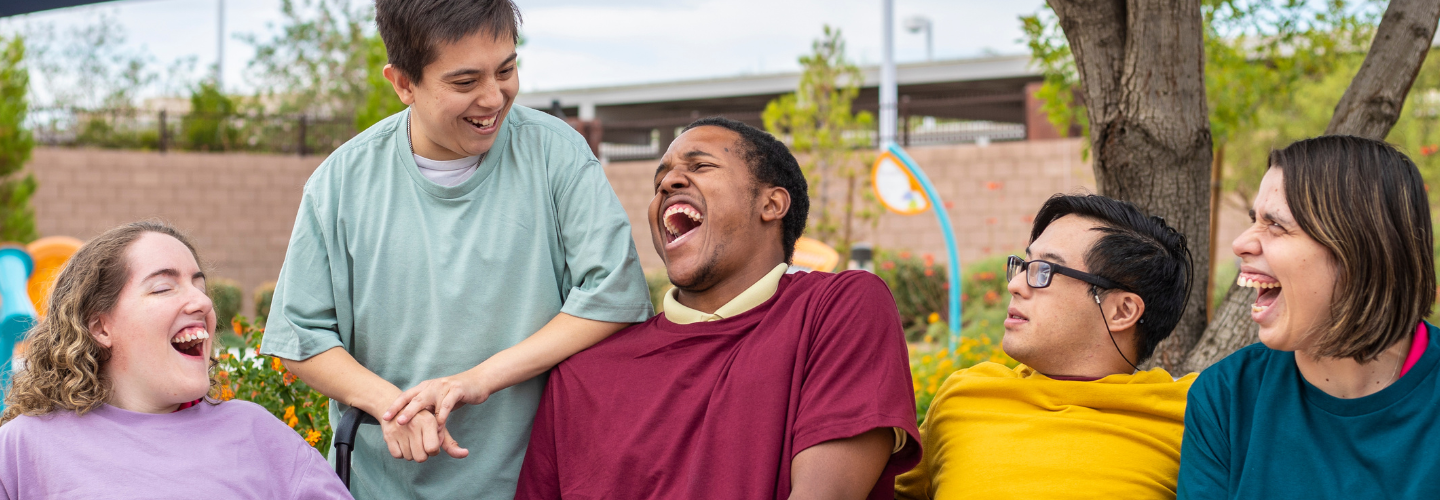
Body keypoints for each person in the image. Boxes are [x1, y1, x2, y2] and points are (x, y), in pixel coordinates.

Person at [257, 1, 653, 498]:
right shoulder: (340, 182)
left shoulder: (558, 154)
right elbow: (302, 335)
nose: (493, 98)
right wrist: (390, 405)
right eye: (465, 83)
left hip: (534, 482)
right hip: (382, 486)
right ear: (403, 83)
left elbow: (612, 296)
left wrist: (478, 380)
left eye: (506, 70)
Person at [497, 117, 919, 499]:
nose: (668, 184)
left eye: (699, 167)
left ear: (771, 205)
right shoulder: (582, 373)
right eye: (660, 179)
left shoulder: (838, 307)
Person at [0, 221, 350, 499]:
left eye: (199, 285)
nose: (202, 302)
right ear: (100, 326)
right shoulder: (22, 447)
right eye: (164, 287)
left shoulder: (258, 434)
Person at [1178, 136, 1440, 499]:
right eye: (1255, 220)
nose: (1241, 243)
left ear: (1359, 249)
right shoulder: (1226, 399)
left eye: (1276, 225)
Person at [895, 194, 1197, 499]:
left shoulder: (1195, 414)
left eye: (1044, 271)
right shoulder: (963, 396)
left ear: (1122, 311)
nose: (1015, 285)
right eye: (1024, 265)